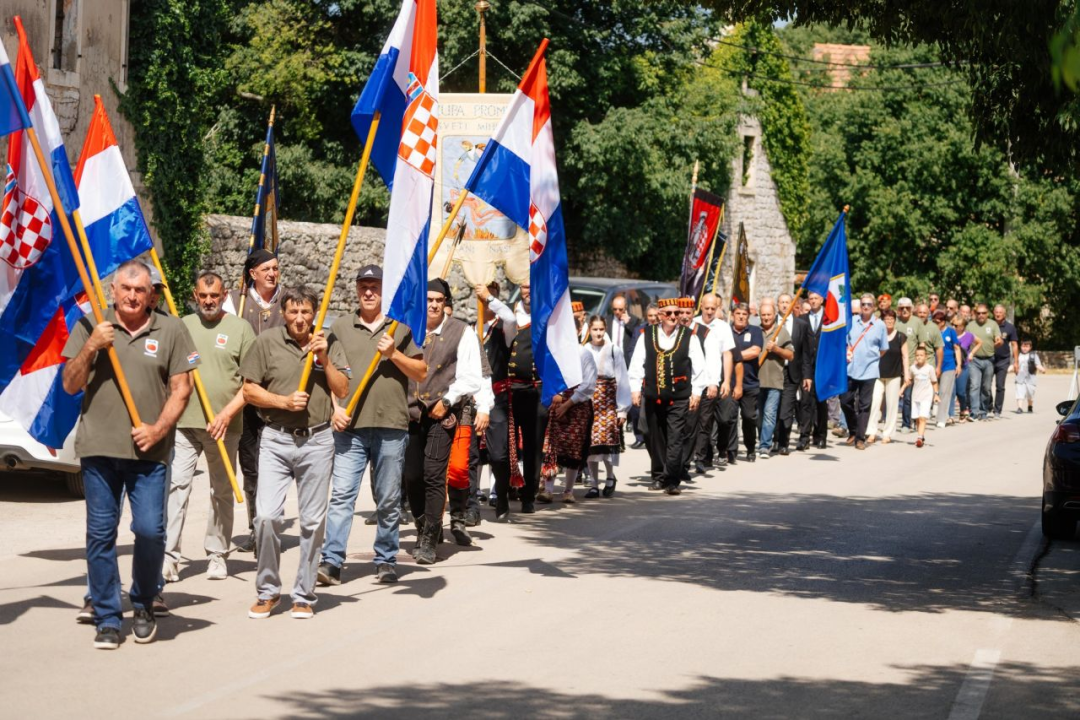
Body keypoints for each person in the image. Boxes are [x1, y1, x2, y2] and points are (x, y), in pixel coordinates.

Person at [62, 260, 198, 649]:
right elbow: (70, 384)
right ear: (114, 291)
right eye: (126, 289)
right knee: (101, 535)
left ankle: (142, 602)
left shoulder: (171, 328)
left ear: (151, 293)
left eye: (141, 290)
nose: (133, 296)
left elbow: (182, 390)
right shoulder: (93, 324)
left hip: (150, 452)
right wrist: (91, 347)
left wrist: (157, 430)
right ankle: (107, 616)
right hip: (99, 449)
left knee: (150, 530)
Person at [241, 286, 350, 620]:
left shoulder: (327, 342)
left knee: (313, 522)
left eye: (306, 312)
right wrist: (283, 402)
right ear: (283, 313)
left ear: (314, 313)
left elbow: (343, 389)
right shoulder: (266, 342)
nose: (300, 319)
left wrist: (324, 360)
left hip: (317, 441)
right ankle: (268, 591)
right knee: (267, 517)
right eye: (293, 312)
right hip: (275, 439)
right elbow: (249, 389)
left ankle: (303, 594)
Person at [316, 266, 427, 588]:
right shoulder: (340, 326)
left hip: (392, 425)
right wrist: (335, 410)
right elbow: (330, 374)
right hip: (351, 427)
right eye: (363, 286)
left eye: (374, 287)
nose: (368, 292)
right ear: (356, 290)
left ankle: (385, 560)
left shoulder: (401, 328)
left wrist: (394, 354)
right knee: (342, 497)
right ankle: (332, 561)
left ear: (384, 291)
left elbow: (420, 372)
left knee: (388, 498)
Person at [163, 272, 255, 583]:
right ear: (195, 294)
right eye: (203, 295)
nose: (208, 301)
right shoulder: (181, 325)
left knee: (221, 491)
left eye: (214, 295)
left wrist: (226, 415)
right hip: (185, 425)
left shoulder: (240, 328)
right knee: (176, 488)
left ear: (224, 294)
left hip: (225, 427)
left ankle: (217, 555)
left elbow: (251, 383)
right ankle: (169, 558)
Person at [403, 279, 482, 564]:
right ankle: (424, 526)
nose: (433, 304)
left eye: (438, 299)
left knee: (434, 476)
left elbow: (472, 376)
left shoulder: (461, 332)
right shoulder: (406, 329)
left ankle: (428, 540)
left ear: (445, 302)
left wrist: (447, 401)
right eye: (428, 299)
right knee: (411, 476)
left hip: (442, 415)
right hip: (410, 414)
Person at [226, 248, 285, 553]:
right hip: (246, 399)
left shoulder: (288, 302)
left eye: (276, 268)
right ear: (252, 274)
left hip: (278, 397)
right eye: (267, 269)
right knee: (251, 467)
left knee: (279, 465)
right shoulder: (235, 303)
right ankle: (255, 527)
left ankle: (272, 521)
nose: (273, 274)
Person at [628, 298, 706, 495]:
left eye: (677, 313)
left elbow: (699, 368)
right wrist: (635, 389)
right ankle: (658, 476)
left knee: (675, 437)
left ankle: (672, 480)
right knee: (655, 437)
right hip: (653, 396)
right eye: (669, 313)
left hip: (679, 398)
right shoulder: (647, 335)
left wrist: (696, 392)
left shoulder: (690, 337)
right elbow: (637, 363)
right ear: (660, 315)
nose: (673, 317)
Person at [539, 314, 598, 503]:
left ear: (580, 331)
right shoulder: (553, 353)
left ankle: (568, 490)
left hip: (577, 405)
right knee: (552, 447)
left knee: (574, 449)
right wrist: (554, 395)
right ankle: (548, 488)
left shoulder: (584, 354)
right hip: (556, 401)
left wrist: (568, 403)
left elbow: (588, 385)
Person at [473, 281, 518, 520]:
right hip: (470, 400)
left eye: (491, 295)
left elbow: (510, 317)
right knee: (472, 456)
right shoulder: (470, 329)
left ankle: (501, 498)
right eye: (481, 294)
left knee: (498, 455)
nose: (485, 298)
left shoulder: (504, 328)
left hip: (496, 400)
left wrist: (489, 298)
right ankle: (469, 507)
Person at [508, 283, 549, 515]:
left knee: (533, 445)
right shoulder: (509, 315)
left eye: (532, 287)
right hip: (511, 388)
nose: (528, 292)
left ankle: (529, 494)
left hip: (537, 390)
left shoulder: (546, 317)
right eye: (524, 287)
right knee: (507, 443)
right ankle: (507, 487)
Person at [584, 316, 631, 497]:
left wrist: (623, 409)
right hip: (588, 401)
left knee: (607, 443)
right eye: (595, 329)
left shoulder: (614, 350)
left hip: (608, 403)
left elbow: (622, 378)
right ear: (589, 329)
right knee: (590, 444)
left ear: (605, 330)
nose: (598, 333)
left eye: (601, 329)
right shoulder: (584, 349)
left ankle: (610, 476)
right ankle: (594, 484)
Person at [840, 293, 889, 450]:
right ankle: (853, 430)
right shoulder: (852, 321)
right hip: (851, 368)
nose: (866, 307)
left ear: (873, 307)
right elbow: (844, 341)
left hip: (869, 370)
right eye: (863, 304)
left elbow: (883, 349)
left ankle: (860, 438)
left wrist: (871, 359)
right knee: (845, 400)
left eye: (869, 304)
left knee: (864, 405)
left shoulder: (880, 325)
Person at [691, 293, 734, 470]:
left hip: (714, 379)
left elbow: (727, 354)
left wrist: (726, 381)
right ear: (701, 306)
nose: (709, 312)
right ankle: (701, 455)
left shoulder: (723, 327)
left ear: (717, 308)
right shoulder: (693, 323)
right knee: (696, 420)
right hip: (694, 380)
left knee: (714, 419)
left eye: (713, 309)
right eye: (706, 308)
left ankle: (710, 453)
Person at [724, 304, 763, 461]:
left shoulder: (755, 331)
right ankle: (731, 451)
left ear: (748, 316)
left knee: (748, 418)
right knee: (730, 418)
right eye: (738, 313)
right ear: (733, 315)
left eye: (744, 314)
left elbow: (755, 351)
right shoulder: (726, 330)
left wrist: (731, 355)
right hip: (730, 382)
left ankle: (750, 447)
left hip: (750, 383)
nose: (741, 316)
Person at [757, 298, 793, 458]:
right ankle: (761, 439)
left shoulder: (781, 331)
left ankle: (765, 446)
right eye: (763, 315)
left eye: (769, 314)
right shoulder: (754, 331)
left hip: (774, 381)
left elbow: (790, 355)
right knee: (758, 415)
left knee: (770, 414)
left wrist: (776, 349)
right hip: (756, 381)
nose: (766, 317)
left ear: (774, 315)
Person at [867, 309, 908, 444]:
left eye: (891, 319)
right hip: (877, 374)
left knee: (892, 405)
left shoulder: (901, 336)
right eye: (886, 319)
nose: (889, 321)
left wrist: (906, 374)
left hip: (894, 375)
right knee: (875, 402)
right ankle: (871, 432)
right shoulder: (877, 335)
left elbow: (905, 356)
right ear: (882, 321)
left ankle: (887, 433)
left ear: (895, 321)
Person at [794, 292, 829, 450]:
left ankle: (821, 436)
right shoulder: (802, 320)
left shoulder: (830, 320)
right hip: (806, 366)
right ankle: (804, 436)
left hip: (823, 366)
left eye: (817, 299)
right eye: (811, 299)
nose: (814, 301)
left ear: (822, 300)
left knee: (821, 402)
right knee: (806, 401)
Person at [608, 294, 643, 448]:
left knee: (631, 398)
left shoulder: (635, 321)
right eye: (615, 309)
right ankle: (616, 434)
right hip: (611, 364)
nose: (617, 312)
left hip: (627, 364)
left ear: (626, 308)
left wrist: (629, 324)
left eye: (620, 309)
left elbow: (638, 338)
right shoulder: (607, 321)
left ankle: (638, 434)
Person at [966, 304, 1002, 421]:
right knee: (974, 386)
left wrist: (998, 342)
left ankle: (983, 411)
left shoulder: (993, 324)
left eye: (983, 313)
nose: (981, 315)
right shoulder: (970, 325)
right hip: (974, 360)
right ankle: (974, 412)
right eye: (978, 313)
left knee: (986, 387)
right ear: (975, 314)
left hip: (989, 360)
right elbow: (965, 341)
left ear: (988, 314)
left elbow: (999, 339)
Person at [903, 346, 938, 448]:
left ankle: (919, 437)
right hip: (916, 396)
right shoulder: (912, 368)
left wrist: (936, 394)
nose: (919, 357)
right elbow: (909, 380)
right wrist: (901, 390)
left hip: (926, 396)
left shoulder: (930, 368)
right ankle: (921, 436)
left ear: (926, 356)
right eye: (917, 355)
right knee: (918, 418)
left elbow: (934, 382)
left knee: (923, 417)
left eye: (921, 355)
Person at [933, 310, 962, 428]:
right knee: (933, 390)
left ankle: (941, 418)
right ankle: (934, 409)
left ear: (943, 322)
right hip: (934, 364)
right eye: (934, 321)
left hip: (949, 364)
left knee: (945, 391)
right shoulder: (933, 331)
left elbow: (957, 348)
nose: (936, 324)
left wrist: (959, 364)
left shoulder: (951, 331)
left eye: (938, 322)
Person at [992, 304, 1019, 419]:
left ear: (1004, 314)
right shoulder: (989, 325)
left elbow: (1014, 345)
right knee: (985, 385)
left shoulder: (1010, 327)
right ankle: (988, 404)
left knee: (1000, 386)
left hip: (1003, 360)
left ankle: (997, 410)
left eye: (1000, 312)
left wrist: (1016, 362)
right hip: (989, 358)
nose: (998, 314)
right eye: (996, 312)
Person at [953, 315, 979, 422]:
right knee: (951, 392)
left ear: (962, 327)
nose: (954, 327)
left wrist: (972, 353)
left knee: (961, 391)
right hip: (950, 365)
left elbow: (980, 342)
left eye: (956, 325)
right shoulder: (951, 333)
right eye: (953, 324)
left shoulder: (968, 335)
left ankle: (963, 409)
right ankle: (950, 414)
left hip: (963, 365)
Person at [1015, 339, 1045, 413]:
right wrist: (1007, 370)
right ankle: (1020, 408)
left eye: (1027, 346)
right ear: (1020, 346)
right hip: (1020, 378)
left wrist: (1042, 369)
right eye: (1023, 346)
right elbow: (1014, 365)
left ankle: (1030, 406)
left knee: (1030, 394)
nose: (1025, 348)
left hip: (1031, 378)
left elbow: (1037, 364)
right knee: (1019, 393)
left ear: (1030, 347)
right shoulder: (1018, 355)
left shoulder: (1033, 355)